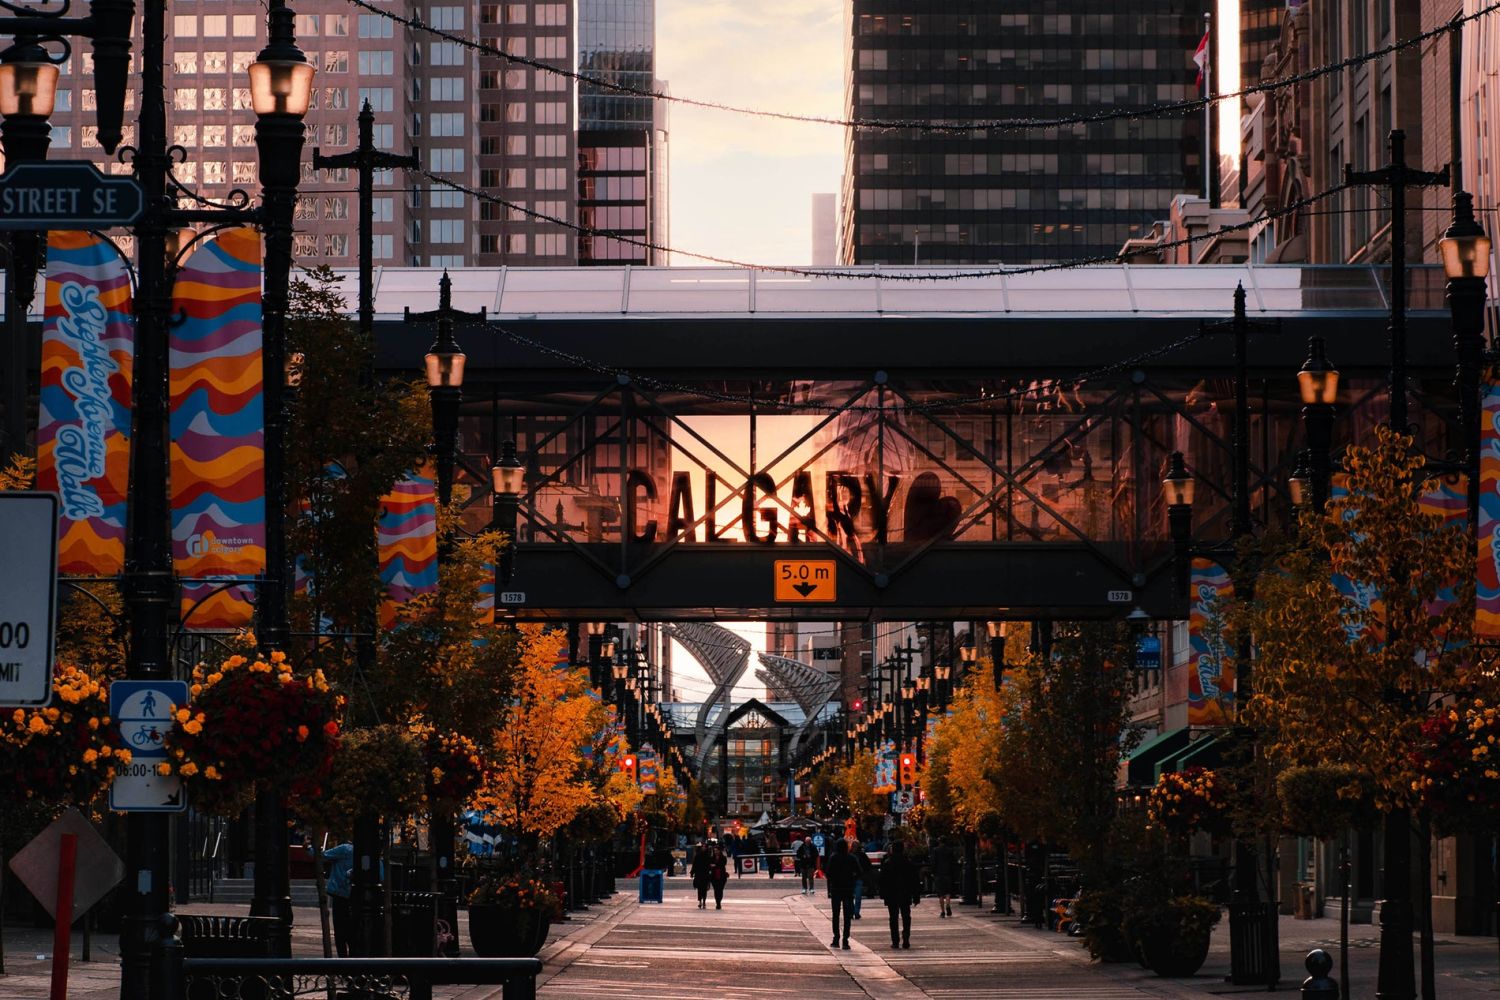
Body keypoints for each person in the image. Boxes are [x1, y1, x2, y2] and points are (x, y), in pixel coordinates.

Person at [880, 841, 921, 949]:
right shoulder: (908, 863)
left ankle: (895, 940)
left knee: (893, 918)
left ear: (892, 849)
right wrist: (916, 895)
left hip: (892, 894)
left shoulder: (888, 863)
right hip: (905, 893)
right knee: (906, 916)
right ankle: (906, 938)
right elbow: (914, 880)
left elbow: (883, 880)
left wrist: (883, 894)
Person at [824, 838, 857, 950]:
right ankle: (845, 940)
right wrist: (852, 878)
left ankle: (836, 938)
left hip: (836, 889)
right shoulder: (851, 858)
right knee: (847, 916)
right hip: (848, 889)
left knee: (836, 915)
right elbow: (860, 871)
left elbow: (828, 873)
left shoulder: (833, 858)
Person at [322, 842, 354, 957]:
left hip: (340, 893)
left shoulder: (345, 849)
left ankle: (343, 959)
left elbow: (323, 855)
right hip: (353, 895)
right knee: (351, 930)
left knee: (340, 930)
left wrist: (309, 848)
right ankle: (352, 958)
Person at [930, 836, 957, 918]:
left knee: (940, 894)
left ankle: (942, 912)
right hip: (948, 874)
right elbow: (953, 863)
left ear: (939, 841)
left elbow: (934, 862)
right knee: (948, 892)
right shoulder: (950, 850)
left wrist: (933, 872)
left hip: (939, 874)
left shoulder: (935, 850)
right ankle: (948, 905)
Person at [849, 838, 872, 919]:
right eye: (853, 846)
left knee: (858, 896)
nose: (855, 847)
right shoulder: (849, 855)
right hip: (851, 879)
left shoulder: (862, 855)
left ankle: (856, 912)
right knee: (851, 897)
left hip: (858, 878)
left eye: (856, 846)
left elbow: (868, 865)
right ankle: (852, 912)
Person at [690, 839, 714, 909]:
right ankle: (700, 901)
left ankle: (704, 901)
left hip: (705, 874)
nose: (703, 848)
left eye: (704, 846)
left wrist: (711, 870)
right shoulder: (698, 856)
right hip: (699, 874)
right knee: (699, 889)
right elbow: (694, 865)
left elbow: (710, 865)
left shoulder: (707, 856)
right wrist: (692, 872)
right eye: (702, 847)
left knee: (704, 889)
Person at [709, 840, 730, 909]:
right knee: (716, 890)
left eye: (717, 850)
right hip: (714, 876)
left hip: (721, 876)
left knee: (720, 889)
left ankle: (719, 901)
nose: (716, 852)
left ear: (720, 851)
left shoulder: (723, 858)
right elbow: (710, 865)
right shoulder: (712, 858)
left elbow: (722, 864)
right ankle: (717, 903)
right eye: (714, 851)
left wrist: (715, 865)